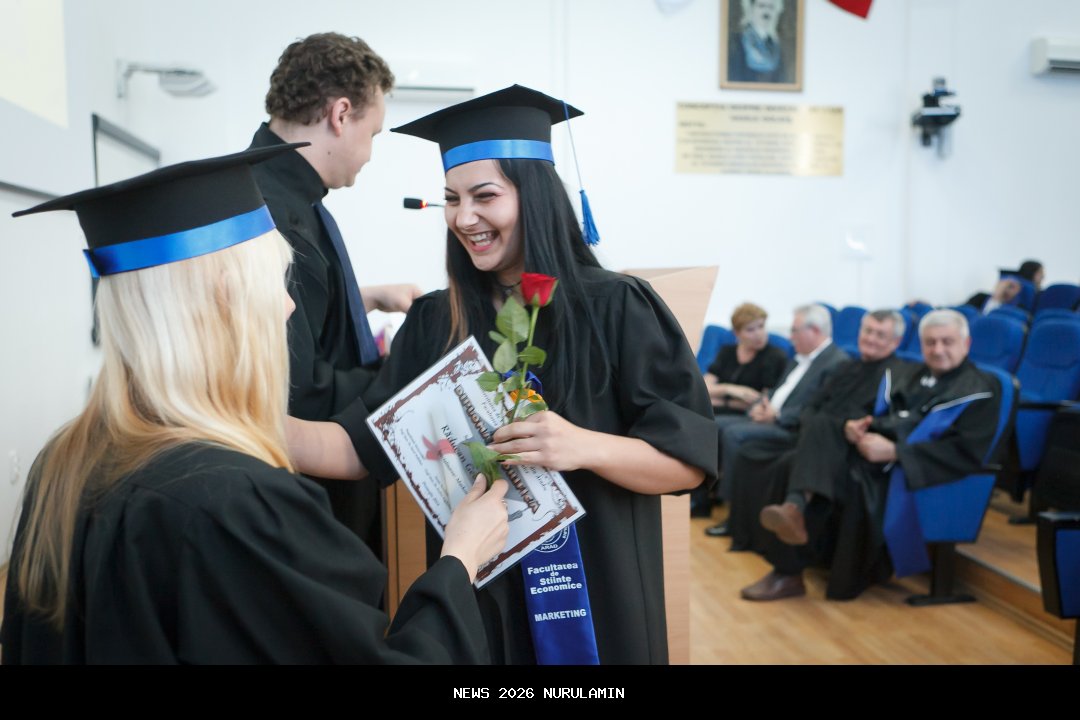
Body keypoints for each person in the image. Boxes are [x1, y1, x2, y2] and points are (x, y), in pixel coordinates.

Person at [1, 147, 509, 664]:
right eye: (275, 280)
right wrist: (459, 560)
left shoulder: (64, 464)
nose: (289, 304)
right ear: (227, 296)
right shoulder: (236, 502)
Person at [288, 85, 717, 664]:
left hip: (602, 605)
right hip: (482, 604)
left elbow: (687, 463)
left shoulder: (618, 308)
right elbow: (361, 447)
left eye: (484, 196)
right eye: (451, 199)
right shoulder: (438, 319)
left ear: (535, 197)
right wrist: (235, 420)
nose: (464, 218)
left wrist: (582, 446)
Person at [249, 33, 422, 550]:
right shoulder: (276, 217)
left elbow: (300, 307)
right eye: (373, 133)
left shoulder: (269, 189)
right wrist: (405, 374)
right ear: (340, 114)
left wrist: (364, 297)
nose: (369, 155)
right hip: (307, 500)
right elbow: (300, 390)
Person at [743, 309, 1000, 601]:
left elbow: (965, 452)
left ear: (965, 345)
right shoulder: (914, 375)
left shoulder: (980, 389)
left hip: (913, 471)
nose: (938, 350)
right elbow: (893, 418)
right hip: (874, 456)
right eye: (930, 343)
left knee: (825, 471)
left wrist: (894, 451)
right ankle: (793, 531)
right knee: (815, 436)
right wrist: (862, 428)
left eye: (946, 342)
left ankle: (789, 559)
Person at [724, 310, 913, 555]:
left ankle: (794, 508)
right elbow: (812, 406)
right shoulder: (846, 367)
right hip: (812, 433)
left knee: (790, 454)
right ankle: (746, 536)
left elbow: (883, 420)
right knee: (750, 452)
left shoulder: (897, 375)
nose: (871, 339)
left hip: (846, 446)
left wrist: (845, 426)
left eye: (880, 334)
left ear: (896, 342)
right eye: (867, 331)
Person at [704, 303, 848, 536]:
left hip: (791, 427)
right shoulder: (800, 358)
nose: (789, 337)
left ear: (815, 331)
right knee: (715, 425)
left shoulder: (834, 362)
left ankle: (734, 513)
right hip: (771, 417)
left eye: (794, 331)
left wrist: (777, 414)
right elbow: (776, 392)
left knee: (731, 433)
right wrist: (762, 406)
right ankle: (709, 498)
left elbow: (817, 408)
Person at [691, 302, 787, 516]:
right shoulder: (727, 352)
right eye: (750, 329)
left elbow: (759, 400)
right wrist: (732, 390)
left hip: (747, 414)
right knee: (694, 418)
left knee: (709, 425)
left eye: (761, 326)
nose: (759, 334)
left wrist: (721, 396)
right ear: (737, 333)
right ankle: (699, 493)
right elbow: (703, 387)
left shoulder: (774, 356)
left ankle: (706, 496)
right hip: (722, 409)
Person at [727, 0, 794, 85]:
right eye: (761, 6)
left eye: (771, 7)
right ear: (750, 10)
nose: (766, 12)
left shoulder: (780, 48)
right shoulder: (736, 43)